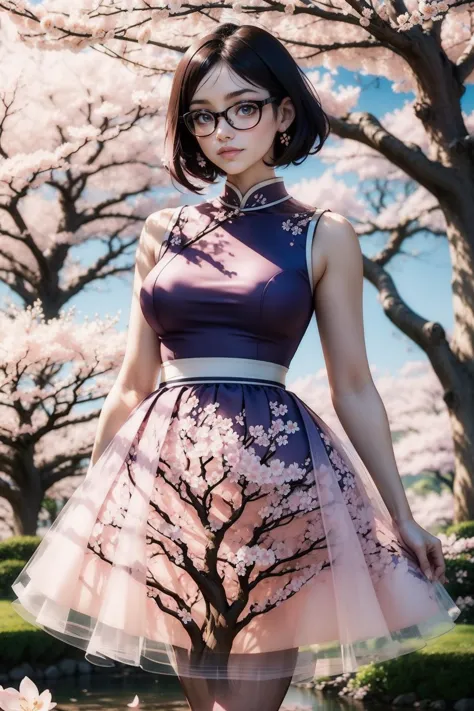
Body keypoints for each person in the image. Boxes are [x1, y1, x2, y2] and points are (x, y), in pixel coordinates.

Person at [11, 22, 460, 711]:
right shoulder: (163, 232)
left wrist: (401, 515)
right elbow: (132, 382)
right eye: (203, 115)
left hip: (273, 474)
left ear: (283, 113)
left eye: (243, 106)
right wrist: (91, 506)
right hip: (170, 478)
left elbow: (355, 386)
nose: (222, 130)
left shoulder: (324, 234)